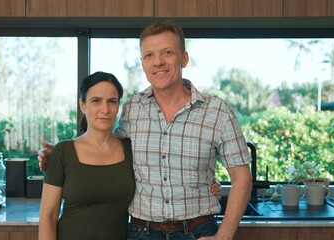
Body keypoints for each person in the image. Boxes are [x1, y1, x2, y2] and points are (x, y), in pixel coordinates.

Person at [39, 21, 252, 240]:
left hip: (199, 231)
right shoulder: (133, 108)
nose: (158, 61)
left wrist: (223, 236)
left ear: (184, 58)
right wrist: (64, 155)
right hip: (143, 233)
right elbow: (105, 145)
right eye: (149, 55)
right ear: (143, 63)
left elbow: (242, 178)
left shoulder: (217, 111)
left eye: (167, 52)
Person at [38, 71, 135, 240]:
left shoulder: (131, 149)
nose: (105, 109)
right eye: (96, 101)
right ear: (83, 105)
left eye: (112, 101)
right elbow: (48, 217)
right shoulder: (62, 152)